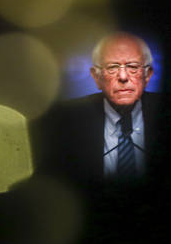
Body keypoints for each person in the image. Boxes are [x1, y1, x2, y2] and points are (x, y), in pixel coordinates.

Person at [34, 31, 160, 183]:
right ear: (96, 77)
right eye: (112, 67)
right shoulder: (65, 120)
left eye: (133, 67)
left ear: (148, 75)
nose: (123, 77)